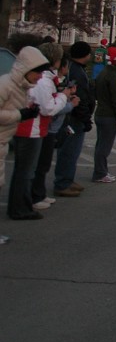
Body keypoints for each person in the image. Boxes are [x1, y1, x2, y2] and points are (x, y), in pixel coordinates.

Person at [3, 46, 53, 220]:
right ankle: (19, 208)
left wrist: (26, 111)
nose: (40, 77)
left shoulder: (22, 86)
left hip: (7, 137)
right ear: (26, 69)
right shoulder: (6, 85)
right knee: (24, 172)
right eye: (37, 73)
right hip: (22, 134)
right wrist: (20, 114)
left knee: (17, 174)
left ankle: (19, 208)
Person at [30, 42, 76, 210]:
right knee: (38, 165)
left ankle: (39, 193)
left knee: (44, 164)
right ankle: (34, 196)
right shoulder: (43, 79)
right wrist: (65, 98)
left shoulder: (49, 78)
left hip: (47, 127)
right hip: (42, 127)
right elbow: (48, 107)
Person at [54, 40, 95, 196]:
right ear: (84, 55)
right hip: (74, 117)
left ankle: (68, 179)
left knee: (72, 151)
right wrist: (85, 119)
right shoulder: (76, 72)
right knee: (69, 150)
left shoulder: (76, 68)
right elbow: (81, 97)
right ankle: (63, 182)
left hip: (76, 115)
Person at [91, 46, 116, 184]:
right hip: (109, 115)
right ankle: (100, 173)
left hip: (100, 112)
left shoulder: (102, 73)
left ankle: (101, 171)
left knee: (100, 144)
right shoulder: (113, 77)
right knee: (104, 147)